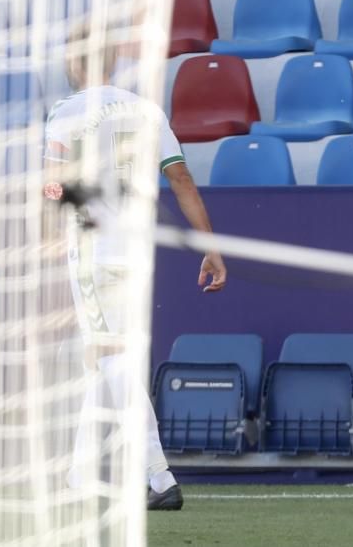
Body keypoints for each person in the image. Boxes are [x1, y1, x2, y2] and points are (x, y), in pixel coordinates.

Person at [44, 33, 226, 512]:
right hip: (137, 252)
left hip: (92, 248)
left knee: (112, 359)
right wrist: (209, 247)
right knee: (101, 358)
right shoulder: (146, 110)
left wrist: (47, 232)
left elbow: (52, 184)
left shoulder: (66, 110)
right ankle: (79, 477)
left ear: (75, 62)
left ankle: (160, 477)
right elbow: (180, 178)